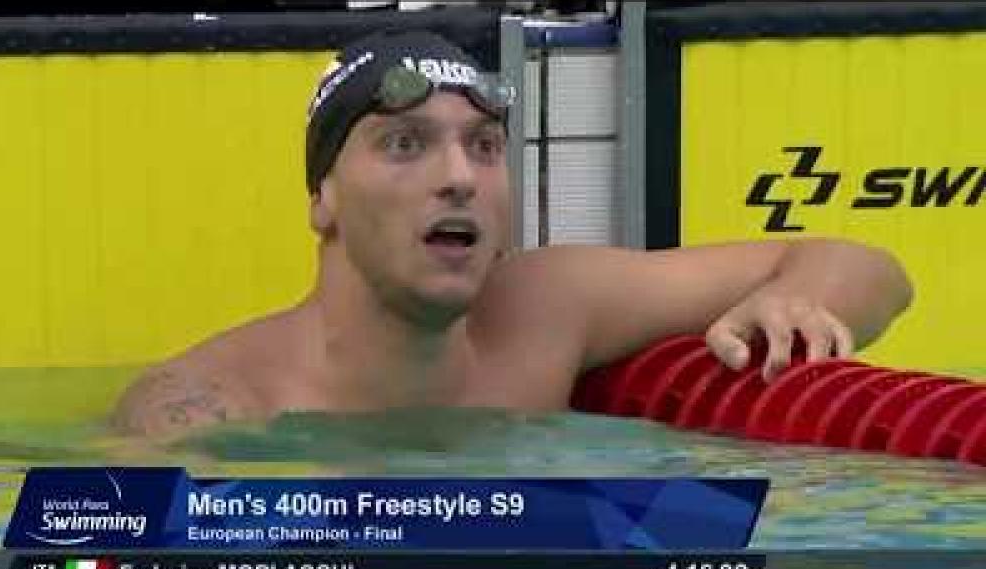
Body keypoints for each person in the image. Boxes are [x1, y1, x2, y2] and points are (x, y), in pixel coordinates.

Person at [112, 29, 912, 440]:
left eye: (484, 146)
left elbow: (868, 265)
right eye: (405, 142)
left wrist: (798, 297)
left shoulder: (545, 307)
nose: (458, 175)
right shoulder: (210, 412)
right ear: (323, 199)